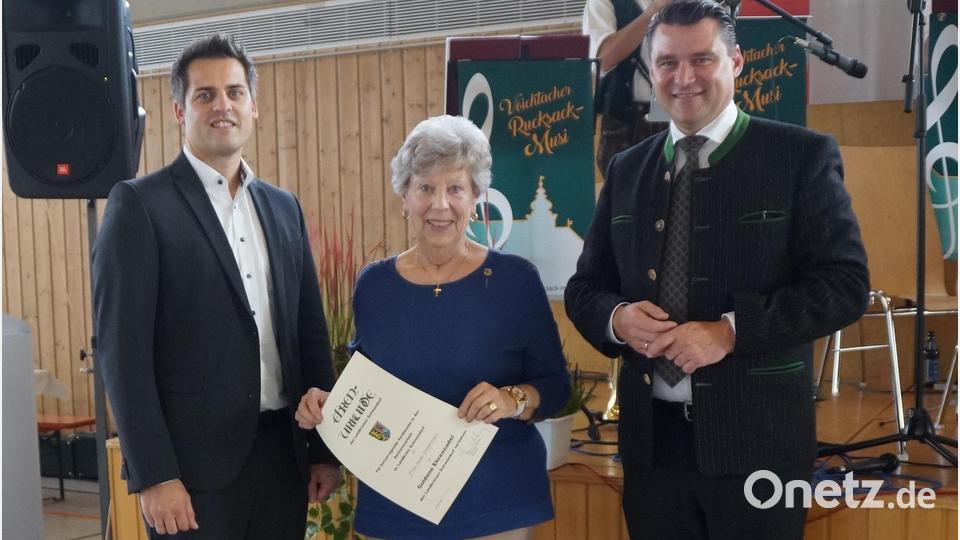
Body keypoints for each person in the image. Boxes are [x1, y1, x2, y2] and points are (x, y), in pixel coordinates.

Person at [565, 2, 870, 539]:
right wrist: (617, 319)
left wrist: (731, 331)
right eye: (667, 63)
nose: (683, 78)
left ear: (736, 62)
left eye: (701, 59)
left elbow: (845, 286)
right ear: (651, 69)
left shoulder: (799, 155)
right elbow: (586, 288)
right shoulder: (626, 168)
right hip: (651, 452)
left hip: (760, 448)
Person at [92, 34, 340, 538]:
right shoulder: (140, 206)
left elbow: (309, 335)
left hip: (283, 459)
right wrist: (155, 475)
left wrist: (324, 451)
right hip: (190, 476)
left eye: (234, 92)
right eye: (204, 95)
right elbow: (122, 354)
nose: (222, 105)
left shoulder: (283, 207)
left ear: (253, 106)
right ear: (179, 111)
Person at [295, 115, 570, 540]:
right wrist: (326, 406)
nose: (440, 205)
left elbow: (555, 387)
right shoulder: (374, 285)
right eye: (425, 188)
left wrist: (510, 399)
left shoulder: (515, 281)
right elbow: (368, 390)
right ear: (405, 196)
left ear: (476, 197)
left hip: (496, 502)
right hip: (396, 503)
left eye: (455, 188)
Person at [584, 0, 672, 177]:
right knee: (625, 190)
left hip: (679, 116)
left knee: (683, 191)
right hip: (625, 123)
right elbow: (603, 59)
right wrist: (653, 11)